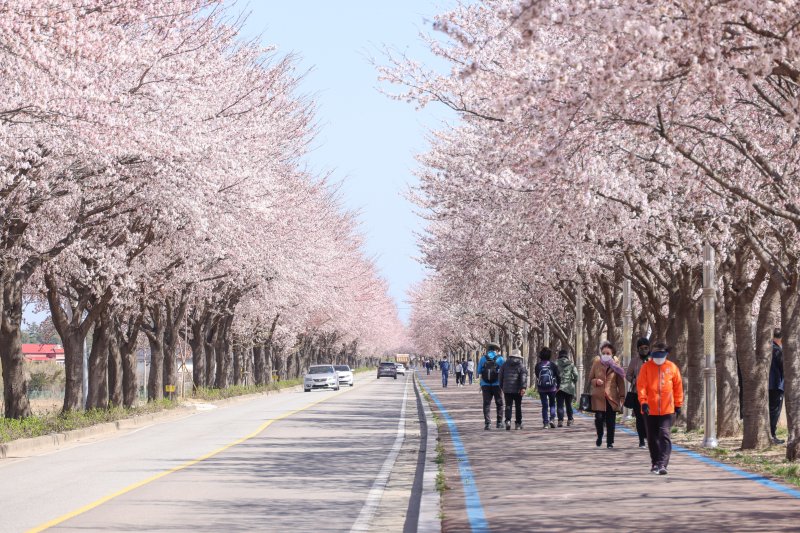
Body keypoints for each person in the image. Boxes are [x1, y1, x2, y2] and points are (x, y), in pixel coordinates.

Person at [637, 342, 684, 475]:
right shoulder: (646, 367)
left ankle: (663, 464)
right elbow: (641, 386)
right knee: (652, 437)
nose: (658, 358)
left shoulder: (672, 367)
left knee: (664, 434)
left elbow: (678, 387)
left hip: (667, 409)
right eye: (655, 355)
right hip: (649, 409)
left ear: (666, 354)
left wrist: (678, 404)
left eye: (661, 355)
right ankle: (655, 463)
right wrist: (643, 402)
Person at [589, 341, 626, 448]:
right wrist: (596, 381)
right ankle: (600, 435)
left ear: (612, 354)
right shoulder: (596, 363)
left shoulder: (616, 366)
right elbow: (590, 378)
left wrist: (622, 396)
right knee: (599, 419)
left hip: (612, 397)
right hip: (599, 397)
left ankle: (610, 442)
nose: (605, 355)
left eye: (608, 353)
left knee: (611, 421)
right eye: (603, 353)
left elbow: (620, 383)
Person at [626, 337, 651, 448]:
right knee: (640, 418)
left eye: (646, 348)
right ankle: (641, 440)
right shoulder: (634, 361)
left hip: (651, 395)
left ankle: (649, 437)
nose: (644, 350)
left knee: (650, 417)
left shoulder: (653, 360)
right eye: (641, 348)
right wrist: (634, 380)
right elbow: (628, 375)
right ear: (638, 349)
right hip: (637, 394)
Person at [478, 342, 505, 430]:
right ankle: (499, 422)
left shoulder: (483, 358)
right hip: (497, 384)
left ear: (488, 349)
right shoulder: (500, 359)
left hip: (485, 384)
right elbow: (504, 371)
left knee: (486, 404)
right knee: (499, 403)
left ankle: (487, 424)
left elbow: (479, 371)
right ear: (496, 349)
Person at [499, 348, 528, 430]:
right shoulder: (521, 365)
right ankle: (518, 423)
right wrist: (523, 387)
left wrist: (502, 386)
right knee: (518, 406)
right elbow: (523, 377)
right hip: (518, 389)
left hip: (507, 388)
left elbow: (500, 376)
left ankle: (508, 421)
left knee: (508, 405)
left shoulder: (505, 364)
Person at [535, 347, 561, 429]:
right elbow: (558, 376)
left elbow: (537, 375)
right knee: (552, 404)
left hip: (541, 388)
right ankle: (552, 419)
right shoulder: (553, 365)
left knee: (544, 406)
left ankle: (545, 423)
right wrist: (558, 386)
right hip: (552, 388)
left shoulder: (538, 365)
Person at [769, 329, 785, 445]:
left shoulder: (767, 348)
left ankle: (770, 434)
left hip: (767, 385)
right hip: (776, 385)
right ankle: (772, 435)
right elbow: (784, 367)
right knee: (774, 411)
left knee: (769, 410)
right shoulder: (777, 350)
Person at [555, 349, 578, 427]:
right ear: (566, 355)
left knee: (560, 405)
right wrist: (573, 381)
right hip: (569, 387)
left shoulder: (556, 363)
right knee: (569, 404)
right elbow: (576, 375)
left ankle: (560, 421)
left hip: (559, 387)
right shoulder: (571, 364)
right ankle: (570, 420)